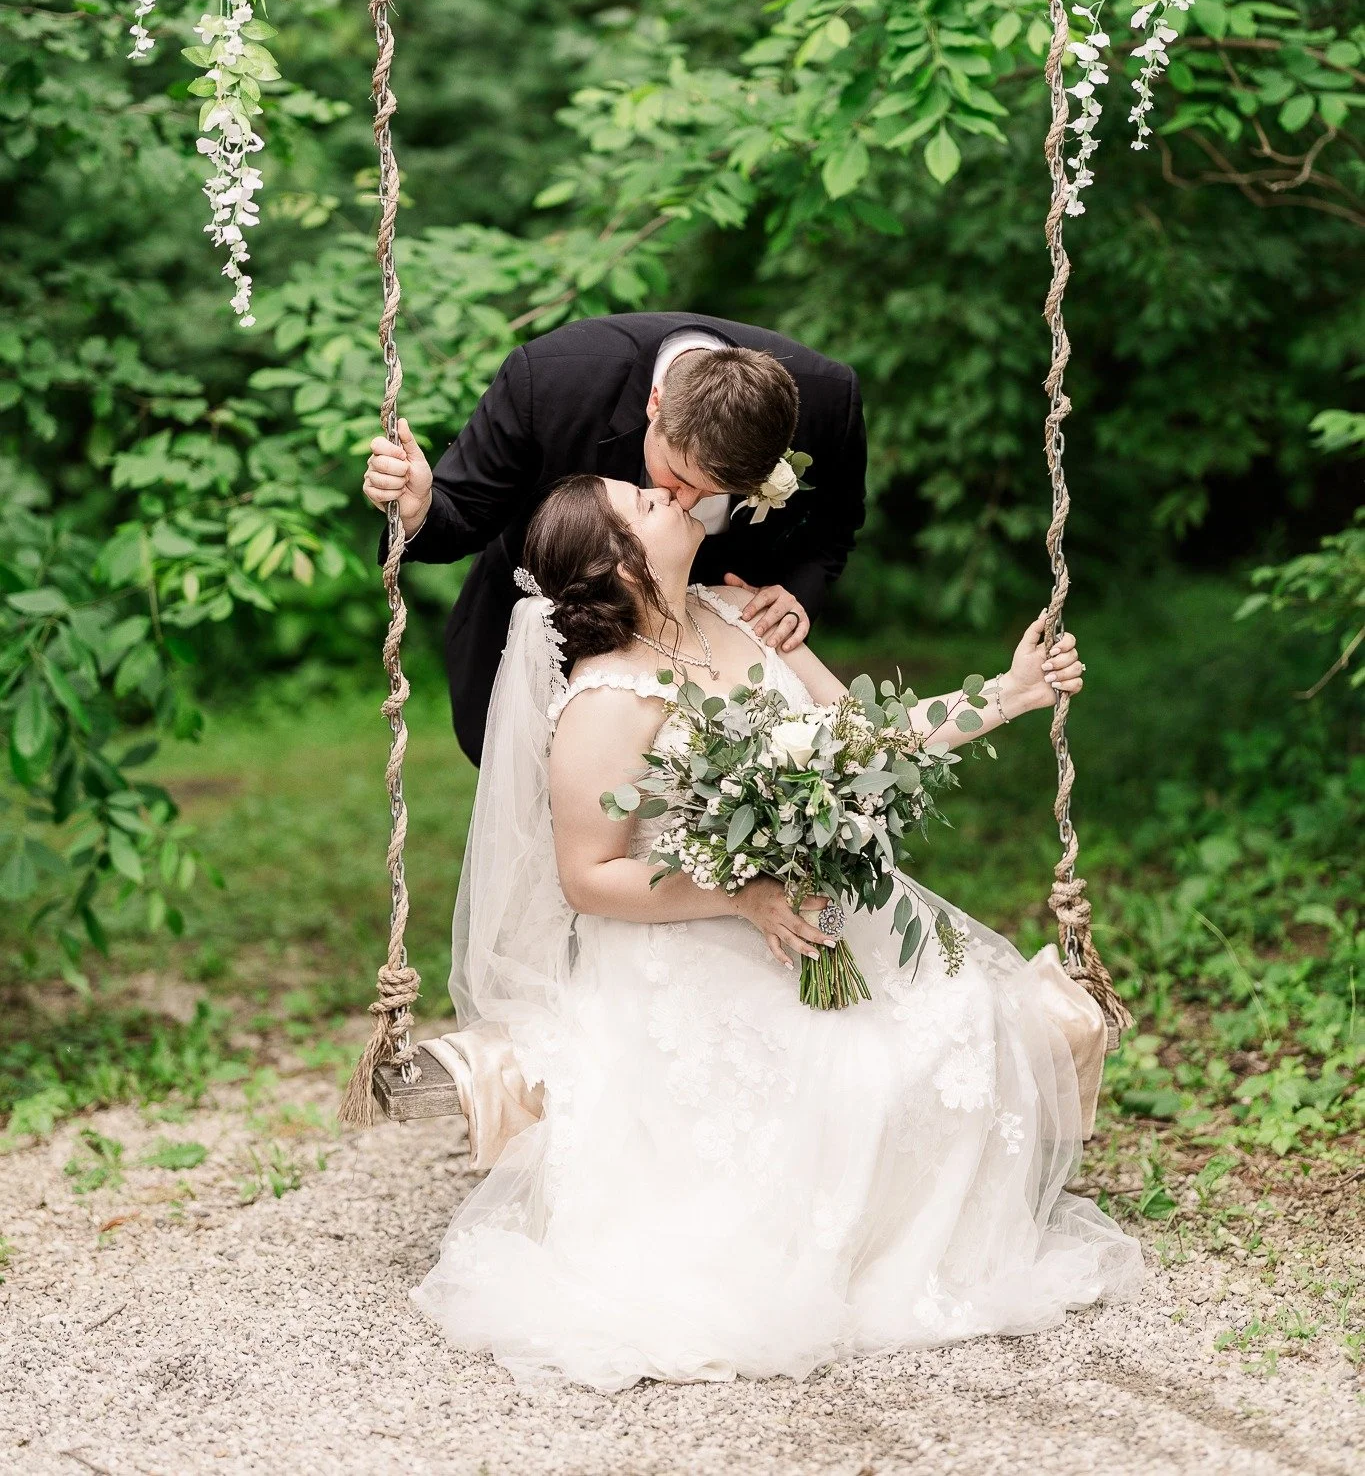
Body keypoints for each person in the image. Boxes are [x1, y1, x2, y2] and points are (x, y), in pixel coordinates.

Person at [410, 473, 1144, 1391]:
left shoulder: (739, 611)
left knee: (960, 1015)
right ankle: (830, 1258)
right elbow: (588, 879)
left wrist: (1007, 693)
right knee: (841, 1077)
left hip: (813, 906)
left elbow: (857, 738)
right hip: (691, 939)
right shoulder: (606, 700)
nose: (662, 492)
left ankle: (906, 1242)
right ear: (617, 565)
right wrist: (741, 894)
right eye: (639, 503)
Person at [361, 312, 866, 763]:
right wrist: (419, 509)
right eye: (679, 477)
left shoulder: (828, 398)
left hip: (729, 668)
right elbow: (464, 515)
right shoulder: (554, 380)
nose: (684, 504)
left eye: (719, 491)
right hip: (556, 639)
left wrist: (797, 594)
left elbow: (835, 526)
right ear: (655, 402)